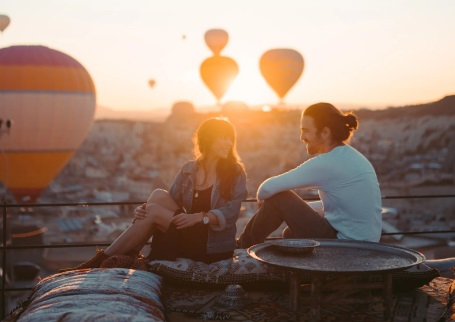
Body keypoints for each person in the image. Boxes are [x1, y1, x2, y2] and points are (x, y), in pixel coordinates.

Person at [60, 117, 248, 272]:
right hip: (187, 231)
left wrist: (201, 218)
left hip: (211, 244)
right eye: (223, 137)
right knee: (157, 196)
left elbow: (232, 212)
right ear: (208, 139)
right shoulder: (189, 169)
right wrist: (143, 212)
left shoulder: (234, 172)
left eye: (231, 138)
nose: (229, 143)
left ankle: (100, 261)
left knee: (155, 211)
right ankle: (125, 256)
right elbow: (170, 200)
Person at [238, 102, 382, 248]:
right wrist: (296, 209)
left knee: (279, 198)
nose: (301, 137)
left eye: (306, 130)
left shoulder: (327, 163)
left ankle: (242, 246)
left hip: (345, 247)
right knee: (290, 234)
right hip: (366, 247)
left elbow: (266, 189)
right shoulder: (352, 157)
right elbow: (343, 205)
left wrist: (266, 201)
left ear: (325, 133)